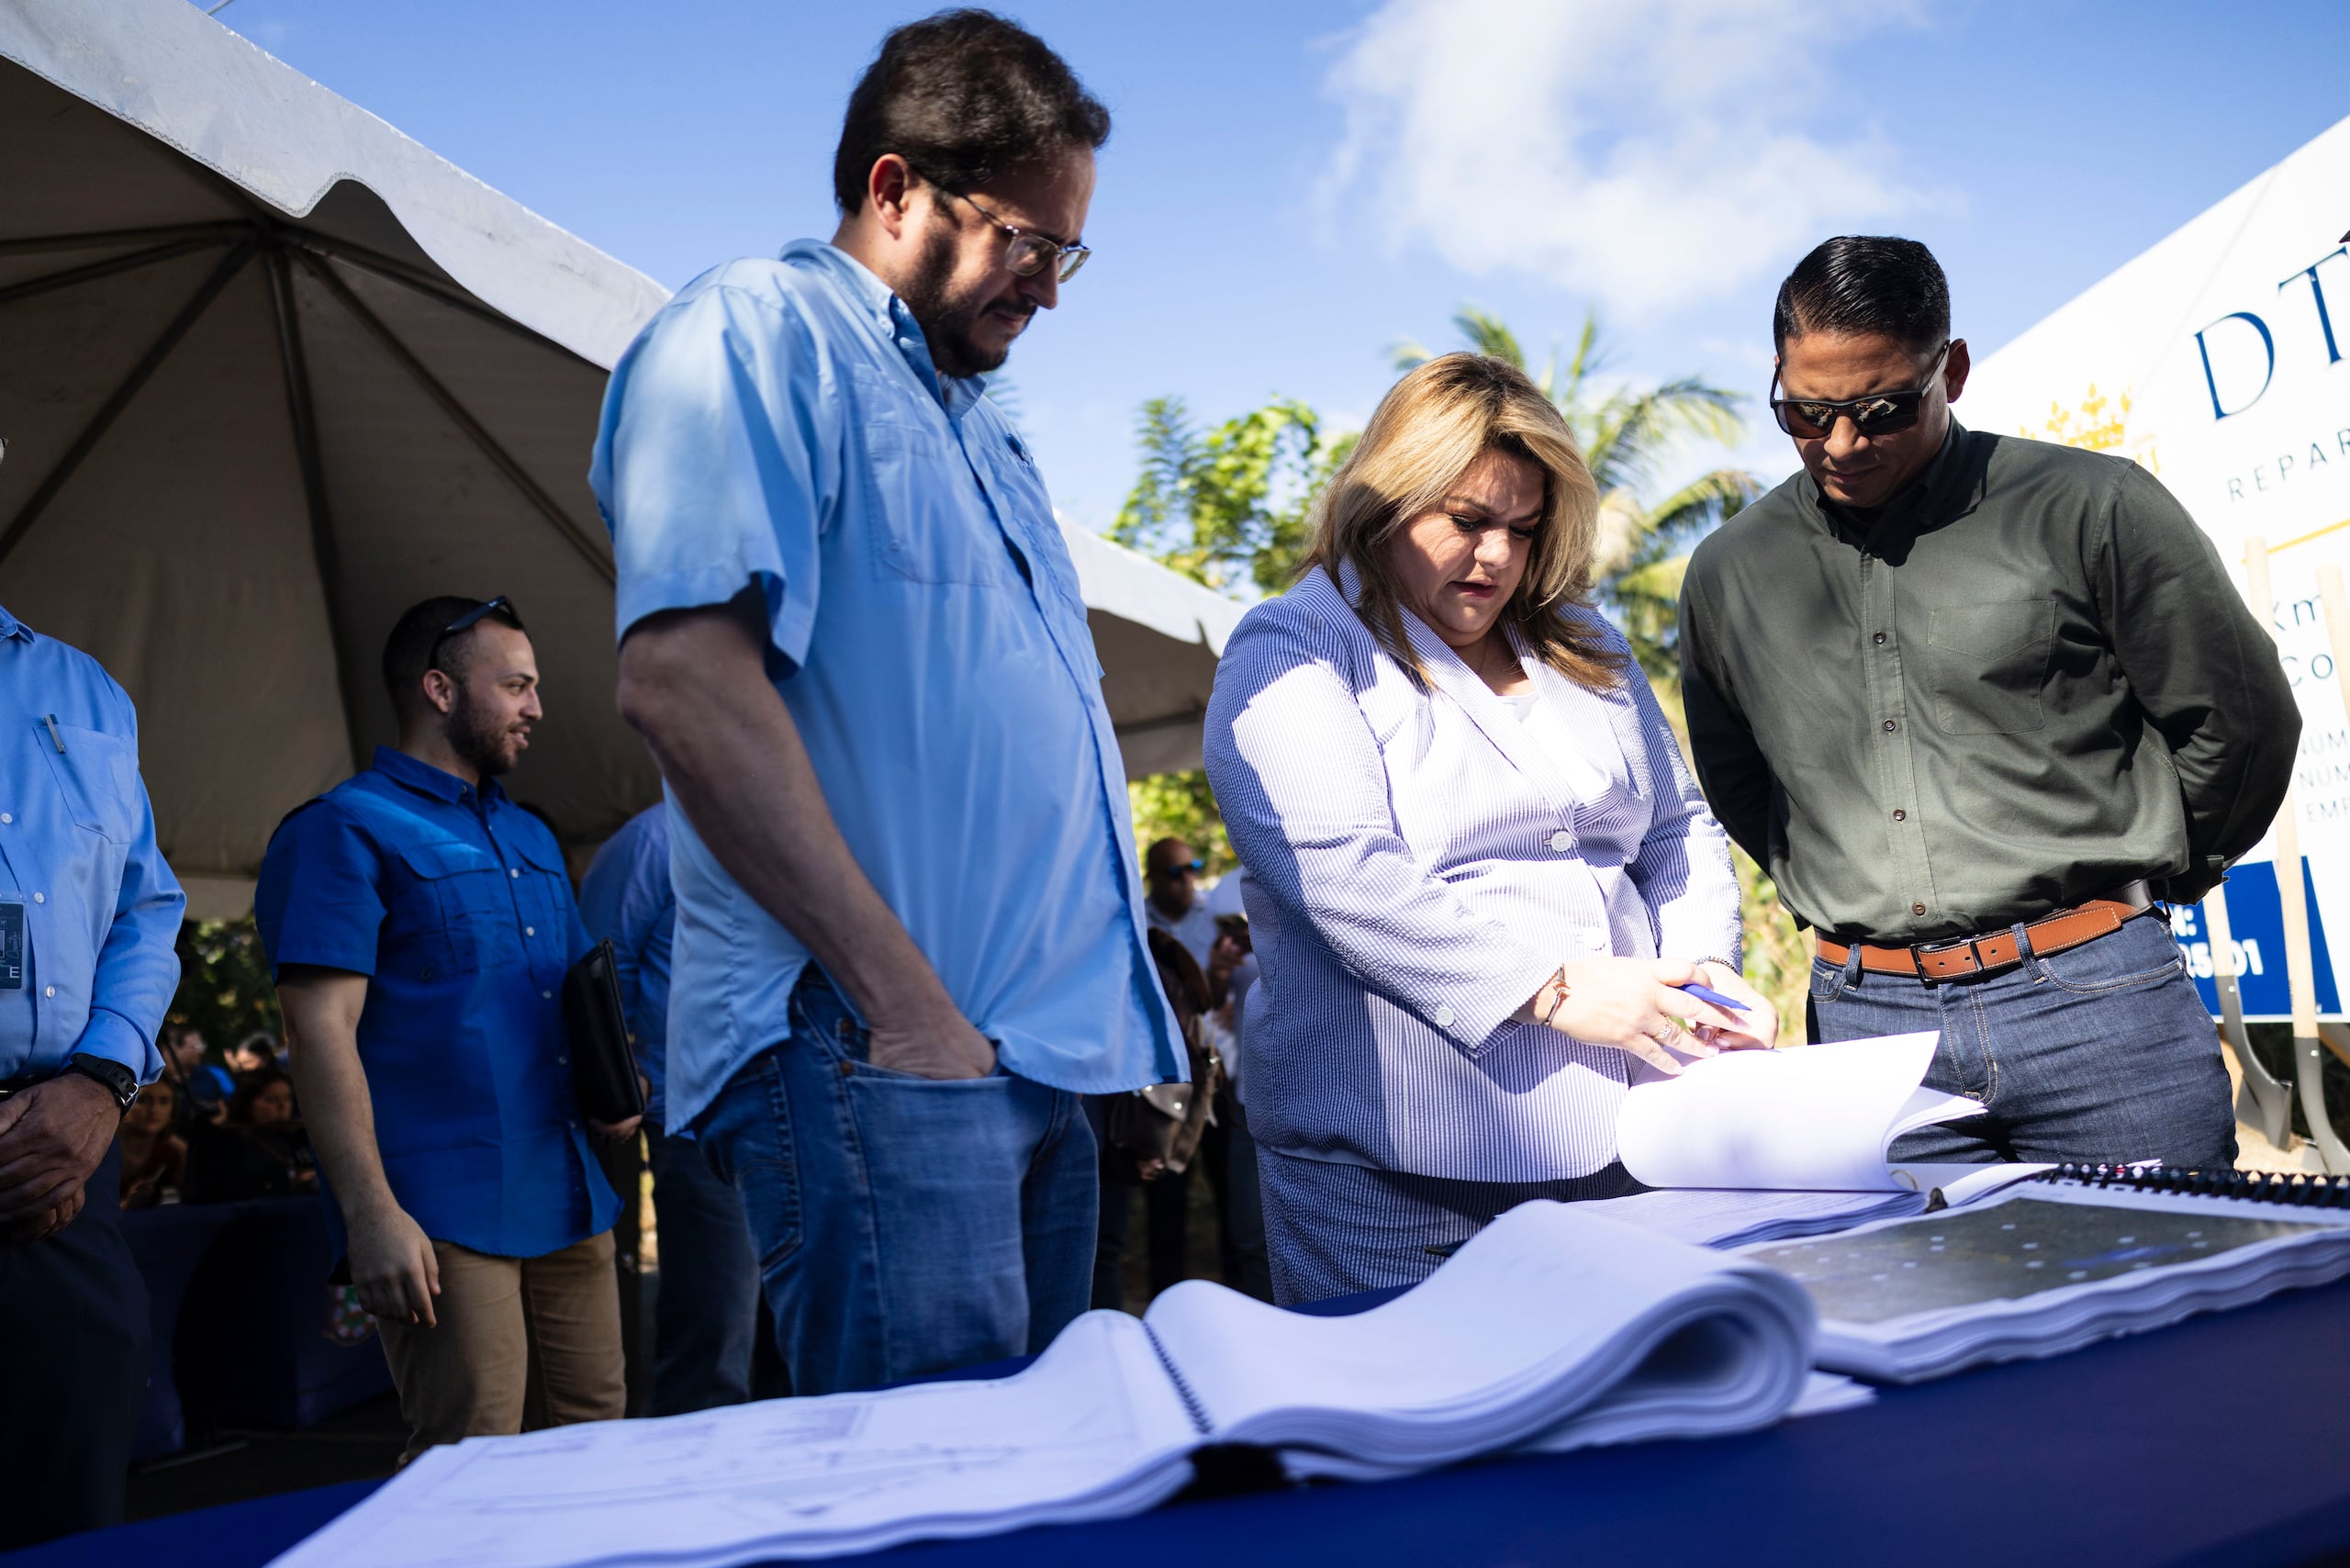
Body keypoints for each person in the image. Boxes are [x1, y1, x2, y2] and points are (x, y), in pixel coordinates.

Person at [595, 10, 1182, 1394]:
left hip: (1028, 1061)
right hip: (881, 1048)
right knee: (945, 1484)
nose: (1049, 290)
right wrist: (906, 1008)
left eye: (1068, 251)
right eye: (1027, 241)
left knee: (1044, 1478)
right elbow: (683, 682)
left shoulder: (991, 427)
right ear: (894, 187)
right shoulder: (756, 329)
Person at [1680, 236, 2297, 1170]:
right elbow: (1742, 783)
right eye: (1805, 412)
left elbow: (2237, 722)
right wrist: (1858, 891)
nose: (1840, 443)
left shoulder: (2092, 507)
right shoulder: (1729, 572)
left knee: (2159, 1264)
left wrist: (2137, 887)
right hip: (1869, 1034)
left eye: (1881, 410)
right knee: (1921, 1273)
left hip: (2100, 1010)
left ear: (1953, 370)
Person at [1203, 353, 1774, 1305]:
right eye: (1467, 521)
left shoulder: (1584, 638)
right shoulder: (1295, 646)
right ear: (1385, 501)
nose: (1499, 556)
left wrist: (1703, 977)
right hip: (1400, 1179)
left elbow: (1678, 828)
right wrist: (1551, 988)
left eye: (1524, 527)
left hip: (1639, 1139)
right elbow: (1346, 875)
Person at [257, 596, 638, 1462]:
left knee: (601, 1453)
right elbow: (319, 1033)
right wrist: (369, 1214)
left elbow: (576, 996)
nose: (536, 707)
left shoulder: (532, 834)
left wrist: (618, 1084)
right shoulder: (340, 828)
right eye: (516, 686)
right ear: (439, 689)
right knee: (472, 1460)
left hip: (573, 1192)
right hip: (439, 1215)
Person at [0, 603, 185, 1549]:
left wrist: (100, 1084)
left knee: (70, 1514)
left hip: (69, 1153)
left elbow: (146, 910)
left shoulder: (87, 689)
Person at [579, 803, 777, 1414]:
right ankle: (695, 1468)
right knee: (713, 1337)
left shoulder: (791, 824)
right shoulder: (649, 840)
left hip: (796, 1120)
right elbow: (596, 972)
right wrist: (625, 1076)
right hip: (698, 1124)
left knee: (796, 1337)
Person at [1143, 837, 1217, 968]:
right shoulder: (1138, 922)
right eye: (1174, 871)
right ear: (1152, 876)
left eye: (1191, 868)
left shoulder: (1215, 910)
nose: (1186, 878)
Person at [119, 1080, 187, 1209]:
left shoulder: (173, 1151)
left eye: (164, 1101)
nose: (154, 1110)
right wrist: (126, 1205)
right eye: (143, 1100)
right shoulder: (104, 1148)